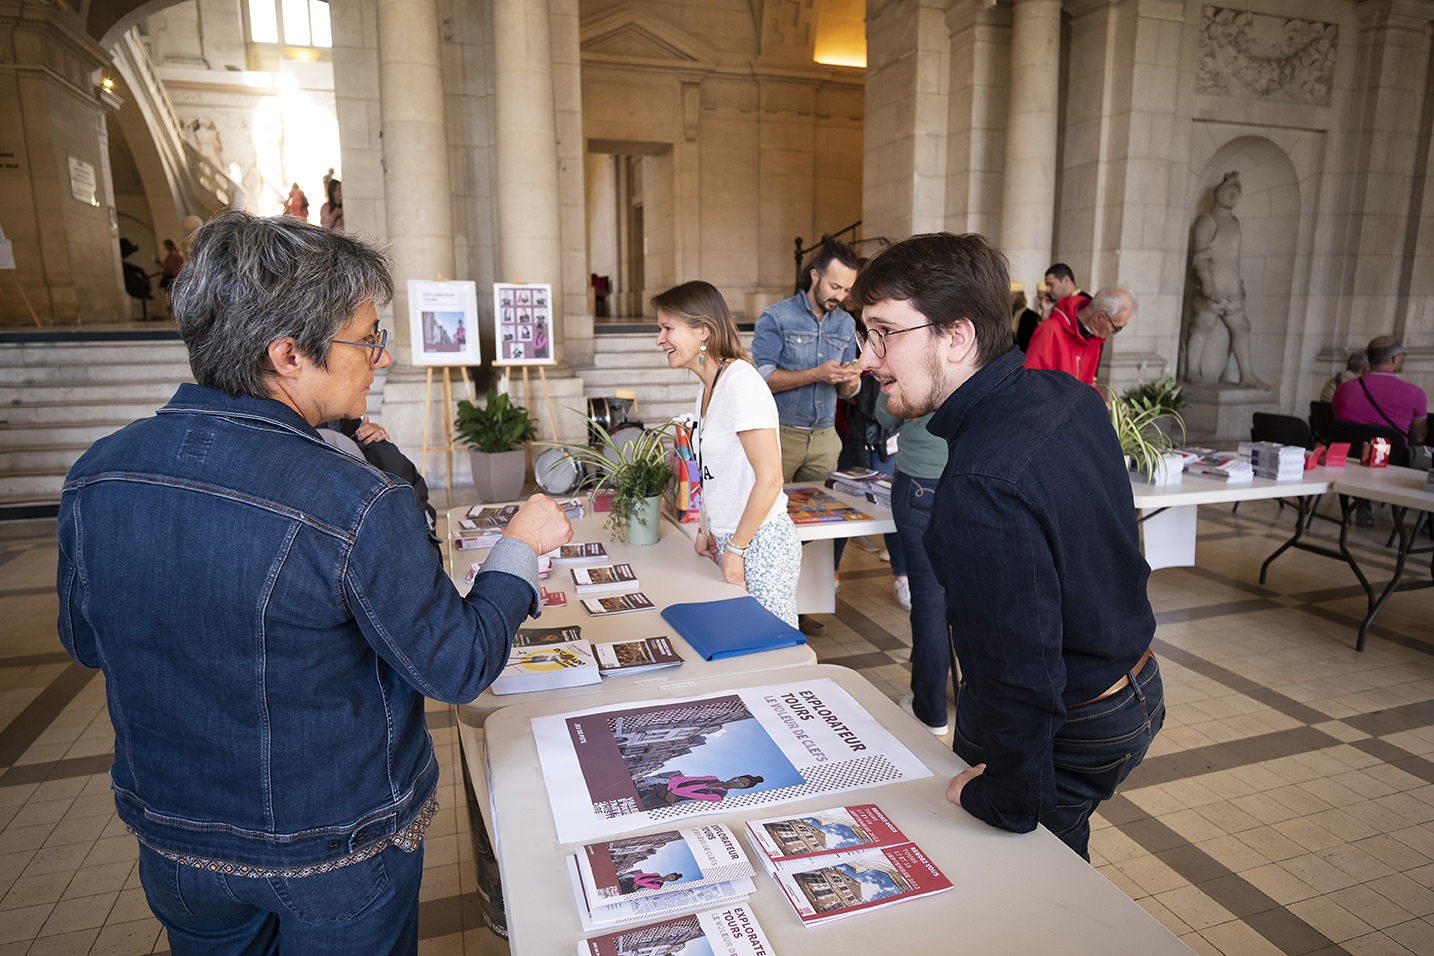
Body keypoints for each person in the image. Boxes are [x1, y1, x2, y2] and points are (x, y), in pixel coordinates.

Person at [57, 210, 572, 952]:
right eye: (368, 339)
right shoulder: (353, 500)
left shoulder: (99, 471)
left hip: (174, 845)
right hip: (334, 849)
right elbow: (455, 665)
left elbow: (86, 643)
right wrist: (518, 550)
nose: (382, 359)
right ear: (288, 354)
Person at [852, 232, 1162, 861]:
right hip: (1137, 683)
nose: (868, 360)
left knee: (1035, 877)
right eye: (866, 335)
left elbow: (1020, 671)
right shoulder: (1069, 397)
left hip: (1076, 721)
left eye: (885, 333)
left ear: (957, 336)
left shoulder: (980, 484)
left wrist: (1006, 797)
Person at [654, 281, 802, 626]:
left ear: (703, 331)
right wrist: (707, 529)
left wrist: (735, 549)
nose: (660, 339)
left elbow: (770, 480)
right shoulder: (709, 387)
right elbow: (714, 472)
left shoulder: (741, 383)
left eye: (667, 328)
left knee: (770, 654)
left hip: (759, 544)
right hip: (733, 539)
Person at [751, 236, 862, 482]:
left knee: (822, 516)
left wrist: (851, 379)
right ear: (815, 276)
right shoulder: (776, 317)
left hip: (825, 440)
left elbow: (846, 392)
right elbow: (762, 379)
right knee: (771, 513)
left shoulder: (846, 323)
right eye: (835, 286)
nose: (841, 297)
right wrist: (816, 374)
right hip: (780, 435)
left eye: (846, 290)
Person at [872, 392, 951, 736]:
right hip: (970, 473)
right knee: (965, 597)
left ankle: (930, 711)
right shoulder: (982, 348)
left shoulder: (908, 348)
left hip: (920, 481)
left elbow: (885, 415)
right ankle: (970, 702)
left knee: (930, 601)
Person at [1183, 171, 1269, 388]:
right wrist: (1208, 284)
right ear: (1219, 195)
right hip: (1212, 288)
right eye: (1228, 192)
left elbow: (1233, 259)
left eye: (1235, 192)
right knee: (1202, 326)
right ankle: (1192, 371)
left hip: (1232, 289)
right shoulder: (1207, 220)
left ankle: (1247, 375)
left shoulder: (1235, 222)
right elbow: (1201, 256)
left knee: (1242, 329)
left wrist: (1238, 285)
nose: (1232, 196)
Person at [1023, 287, 1135, 386]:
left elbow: (1087, 385)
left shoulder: (1095, 341)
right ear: (1099, 317)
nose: (1114, 333)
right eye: (1116, 328)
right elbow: (1029, 381)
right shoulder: (1050, 330)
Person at [1332, 335, 1428, 448]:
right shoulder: (1416, 394)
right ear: (1395, 359)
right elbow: (1418, 438)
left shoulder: (1342, 389)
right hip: (1392, 461)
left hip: (1348, 457)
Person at [1011, 280, 1042, 353]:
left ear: (1020, 297)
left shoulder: (1032, 317)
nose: (1009, 301)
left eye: (1012, 297)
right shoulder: (1005, 317)